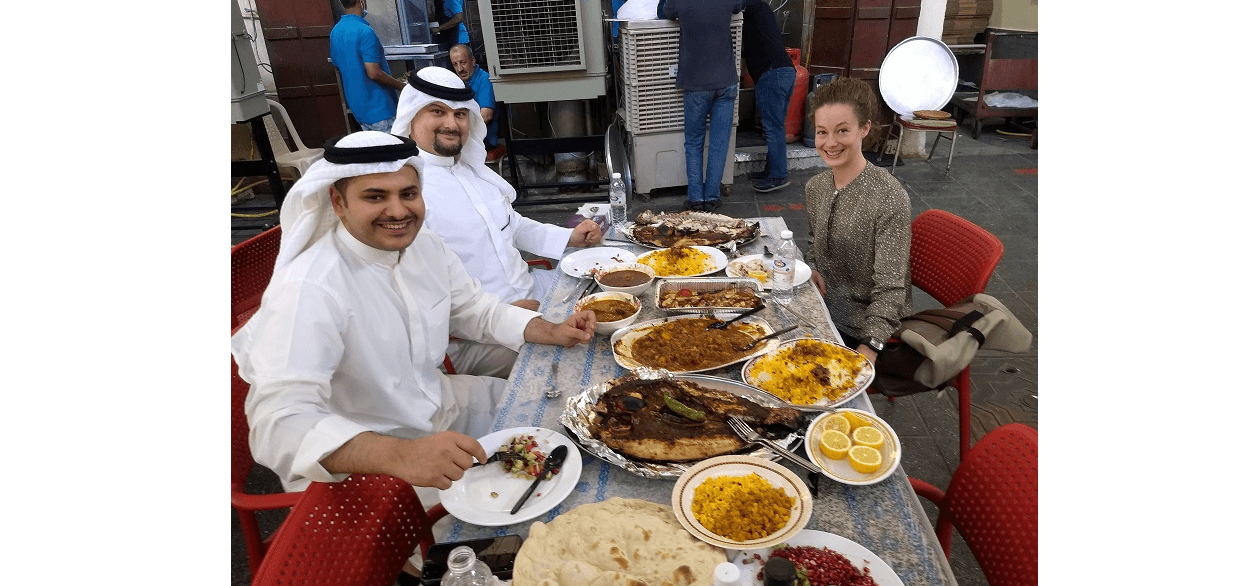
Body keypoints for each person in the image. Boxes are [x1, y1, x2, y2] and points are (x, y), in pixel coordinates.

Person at [232, 130, 596, 499]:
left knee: (555, 419)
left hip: (438, 404)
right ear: (338, 202)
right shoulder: (309, 287)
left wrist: (548, 330)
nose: (398, 210)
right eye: (375, 197)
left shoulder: (424, 244)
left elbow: (474, 309)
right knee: (513, 506)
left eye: (408, 194)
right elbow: (277, 426)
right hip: (367, 458)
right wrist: (400, 454)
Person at [391, 67, 603, 377]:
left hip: (532, 289)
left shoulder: (472, 171)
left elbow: (511, 226)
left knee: (615, 298)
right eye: (438, 111)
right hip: (475, 336)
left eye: (461, 114)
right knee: (589, 359)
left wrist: (570, 237)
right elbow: (413, 296)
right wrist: (502, 317)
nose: (452, 123)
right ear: (412, 115)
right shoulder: (404, 195)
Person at [803, 78, 912, 365]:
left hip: (863, 328)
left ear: (864, 128)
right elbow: (815, 242)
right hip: (820, 310)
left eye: (842, 131)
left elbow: (892, 288)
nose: (830, 143)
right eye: (821, 132)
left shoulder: (889, 197)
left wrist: (870, 346)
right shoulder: (816, 187)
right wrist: (812, 267)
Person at [658, 0, 744, 211]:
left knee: (694, 142)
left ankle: (696, 199)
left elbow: (662, 12)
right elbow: (740, 5)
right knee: (719, 143)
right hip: (726, 81)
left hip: (696, 84)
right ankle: (712, 197)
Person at [741, 0, 795, 193]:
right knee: (775, 125)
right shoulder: (759, 11)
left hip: (772, 74)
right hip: (783, 72)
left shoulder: (755, 6)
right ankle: (771, 170)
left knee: (773, 127)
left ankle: (779, 175)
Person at [329, 0, 407, 131]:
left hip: (358, 109)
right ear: (361, 2)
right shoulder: (365, 31)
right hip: (379, 108)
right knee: (392, 149)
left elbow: (337, 64)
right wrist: (403, 87)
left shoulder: (335, 32)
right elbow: (374, 72)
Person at [448, 44, 504, 161]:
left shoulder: (484, 80)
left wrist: (458, 131)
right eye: (455, 64)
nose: (460, 69)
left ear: (472, 61)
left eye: (463, 62)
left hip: (483, 139)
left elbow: (486, 116)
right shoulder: (457, 82)